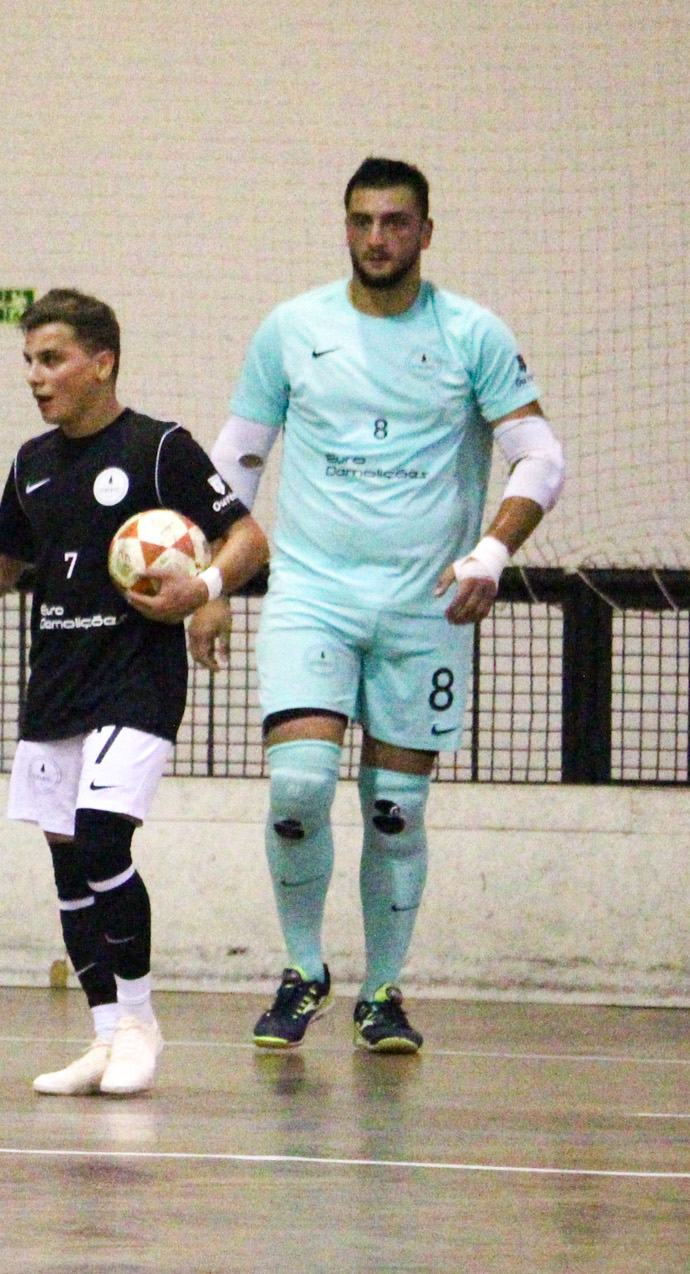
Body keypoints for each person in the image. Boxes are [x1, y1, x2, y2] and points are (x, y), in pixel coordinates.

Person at [210, 157, 565, 1052]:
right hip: (312, 596)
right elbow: (235, 463)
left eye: (396, 222)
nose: (377, 238)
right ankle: (303, 971)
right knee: (296, 787)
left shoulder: (472, 333)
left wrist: (491, 552)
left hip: (425, 609)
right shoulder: (292, 328)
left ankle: (383, 991)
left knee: (395, 807)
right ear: (345, 228)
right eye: (362, 221)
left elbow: (541, 458)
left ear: (425, 233)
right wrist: (210, 579)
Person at [0, 288, 268, 1096]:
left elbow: (245, 534)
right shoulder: (33, 465)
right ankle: (104, 1034)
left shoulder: (158, 448)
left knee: (104, 837)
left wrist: (203, 587)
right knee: (68, 860)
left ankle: (142, 1022)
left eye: (53, 359)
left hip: (136, 677)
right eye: (29, 362)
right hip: (57, 681)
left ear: (101, 362)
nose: (37, 378)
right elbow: (2, 567)